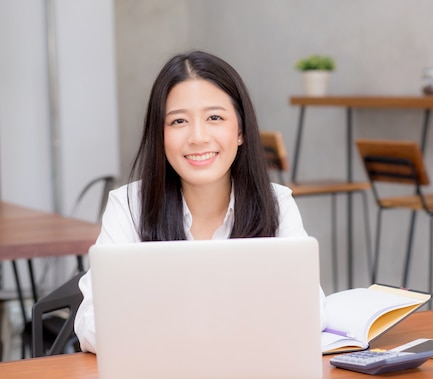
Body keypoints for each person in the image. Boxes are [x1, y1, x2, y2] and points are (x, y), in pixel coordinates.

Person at [74, 50, 326, 353]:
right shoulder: (129, 206)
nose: (197, 137)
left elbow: (310, 312)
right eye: (179, 121)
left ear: (241, 131)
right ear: (160, 135)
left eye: (214, 117)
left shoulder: (277, 204)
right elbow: (92, 321)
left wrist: (164, 327)